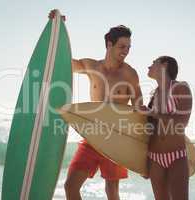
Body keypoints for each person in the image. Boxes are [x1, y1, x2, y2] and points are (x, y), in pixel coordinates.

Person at [59, 20, 143, 200]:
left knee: (111, 192)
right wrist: (57, 28)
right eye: (122, 46)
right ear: (109, 44)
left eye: (129, 47)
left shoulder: (129, 74)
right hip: (92, 136)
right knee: (70, 186)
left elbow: (139, 109)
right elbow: (65, 62)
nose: (126, 51)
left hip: (116, 140)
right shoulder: (92, 66)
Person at [145, 56, 192, 200]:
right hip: (154, 158)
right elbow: (150, 131)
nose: (149, 66)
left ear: (164, 65)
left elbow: (182, 123)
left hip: (176, 156)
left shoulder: (180, 88)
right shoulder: (155, 94)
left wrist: (154, 113)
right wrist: (142, 161)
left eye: (153, 62)